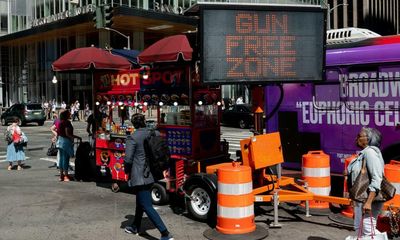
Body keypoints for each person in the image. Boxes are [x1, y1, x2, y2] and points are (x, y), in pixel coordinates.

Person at [124, 113, 173, 240]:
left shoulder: (133, 137)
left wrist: (127, 172)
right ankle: (135, 226)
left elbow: (128, 159)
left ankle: (165, 233)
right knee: (140, 202)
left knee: (146, 205)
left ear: (134, 124)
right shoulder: (154, 133)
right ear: (144, 121)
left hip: (140, 175)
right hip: (152, 172)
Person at [346, 127, 385, 236]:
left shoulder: (370, 153)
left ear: (368, 139)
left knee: (368, 231)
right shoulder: (364, 153)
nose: (356, 138)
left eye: (359, 136)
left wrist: (368, 202)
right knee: (360, 228)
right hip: (362, 198)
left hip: (369, 199)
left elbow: (377, 178)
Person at [57, 110, 82, 181]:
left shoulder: (60, 122)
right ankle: (66, 175)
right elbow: (67, 133)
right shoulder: (67, 122)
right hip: (65, 141)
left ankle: (61, 175)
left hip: (60, 141)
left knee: (61, 158)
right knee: (65, 159)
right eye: (69, 114)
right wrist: (76, 137)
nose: (70, 114)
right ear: (66, 115)